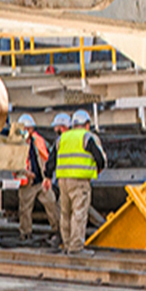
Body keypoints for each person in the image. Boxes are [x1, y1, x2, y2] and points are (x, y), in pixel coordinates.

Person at [53, 108, 107, 253]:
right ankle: (76, 248)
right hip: (80, 181)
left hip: (63, 180)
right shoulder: (87, 137)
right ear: (87, 124)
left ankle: (67, 244)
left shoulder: (62, 138)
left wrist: (47, 176)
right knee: (79, 213)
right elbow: (100, 158)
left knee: (65, 213)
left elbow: (52, 159)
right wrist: (99, 169)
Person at [13, 112, 61, 243]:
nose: (29, 131)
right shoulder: (16, 145)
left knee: (51, 203)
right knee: (25, 210)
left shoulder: (38, 140)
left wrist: (48, 174)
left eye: (30, 129)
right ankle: (25, 234)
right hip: (27, 183)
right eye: (26, 129)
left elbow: (48, 154)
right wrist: (28, 174)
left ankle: (58, 230)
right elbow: (13, 165)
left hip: (41, 181)